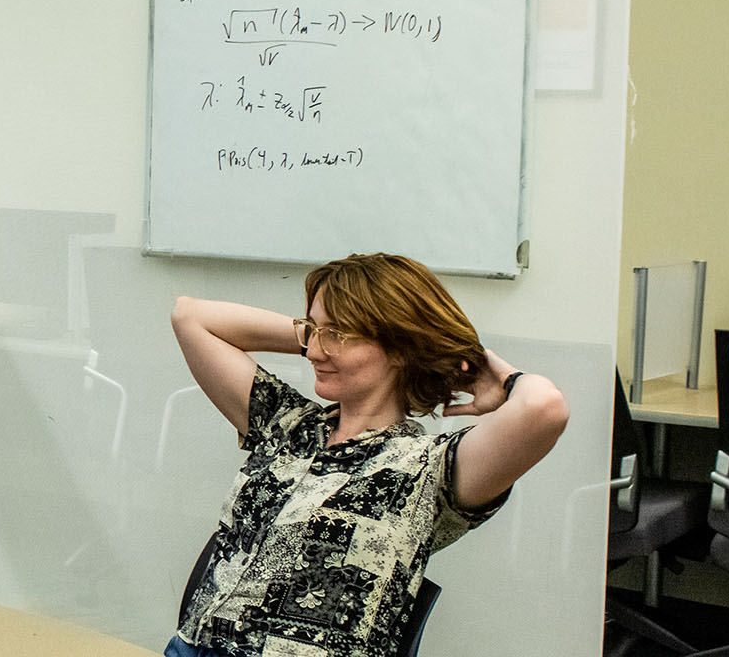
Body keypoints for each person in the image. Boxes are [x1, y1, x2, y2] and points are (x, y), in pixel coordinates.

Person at [166, 253, 568, 657]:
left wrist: (491, 370)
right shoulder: (288, 424)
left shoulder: (429, 468)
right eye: (312, 330)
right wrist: (317, 333)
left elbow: (544, 409)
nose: (313, 352)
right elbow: (191, 316)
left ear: (400, 346)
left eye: (338, 334)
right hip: (193, 646)